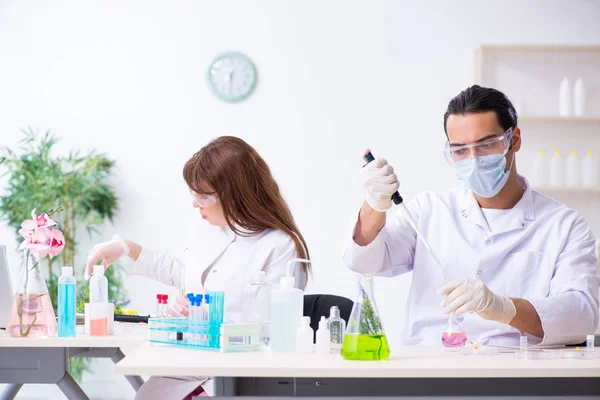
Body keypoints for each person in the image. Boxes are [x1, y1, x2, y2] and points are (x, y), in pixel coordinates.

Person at [344, 85, 599, 347]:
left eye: (487, 145)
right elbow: (363, 262)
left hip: (515, 374)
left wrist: (503, 308)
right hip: (428, 370)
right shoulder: (430, 211)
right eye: (460, 150)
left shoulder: (564, 225)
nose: (473, 160)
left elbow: (582, 316)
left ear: (515, 140)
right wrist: (375, 204)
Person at [86, 136, 310, 399]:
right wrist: (127, 248)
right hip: (188, 367)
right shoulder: (206, 228)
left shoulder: (280, 246)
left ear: (236, 194)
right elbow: (183, 272)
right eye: (194, 194)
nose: (195, 204)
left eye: (203, 196)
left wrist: (199, 322)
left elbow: (271, 331)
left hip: (241, 374)